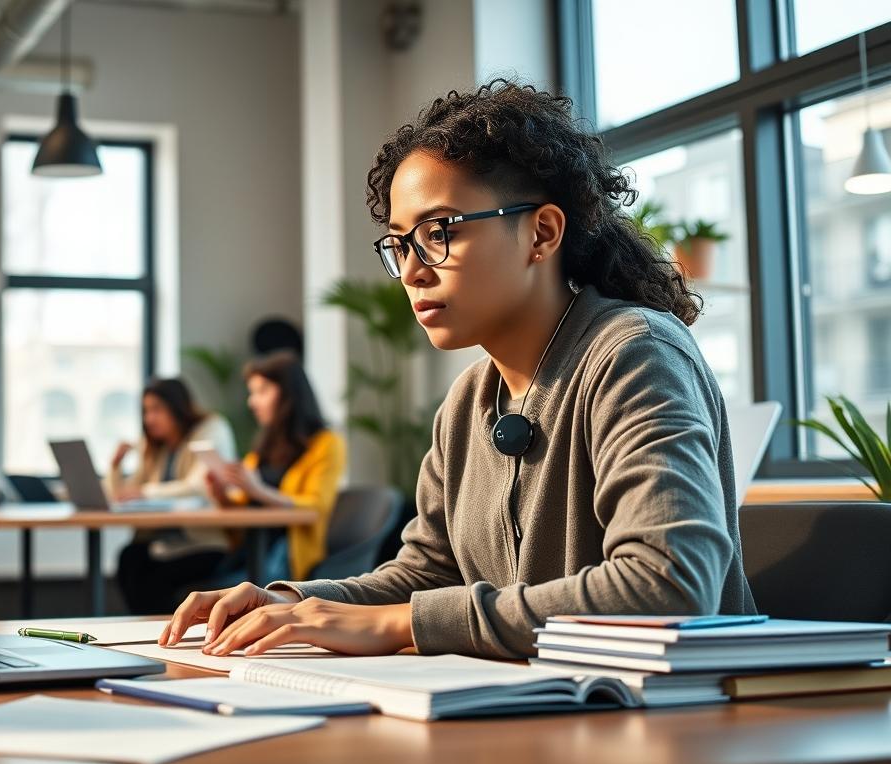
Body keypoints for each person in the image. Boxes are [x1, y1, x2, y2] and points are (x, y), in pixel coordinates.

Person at [160, 80, 755, 659]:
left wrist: (399, 625)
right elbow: (426, 574)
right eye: (399, 245)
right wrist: (288, 602)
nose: (414, 271)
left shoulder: (634, 354)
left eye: (439, 232)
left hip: (673, 721)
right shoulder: (470, 399)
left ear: (541, 233)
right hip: (532, 710)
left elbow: (667, 586)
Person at [119, 352, 345, 615]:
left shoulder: (327, 444)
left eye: (261, 391)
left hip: (285, 556)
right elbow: (242, 497)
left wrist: (257, 489)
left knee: (169, 583)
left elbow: (314, 507)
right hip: (245, 550)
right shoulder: (265, 445)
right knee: (138, 564)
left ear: (288, 395)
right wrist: (222, 493)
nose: (252, 402)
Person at [111, 378, 237, 614]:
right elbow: (124, 494)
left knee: (152, 576)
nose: (149, 419)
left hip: (204, 543)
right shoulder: (157, 447)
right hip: (165, 543)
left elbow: (197, 486)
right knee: (129, 558)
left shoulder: (211, 428)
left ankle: (161, 633)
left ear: (177, 406)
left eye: (156, 409)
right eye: (146, 411)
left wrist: (144, 492)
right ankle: (143, 630)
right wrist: (115, 466)